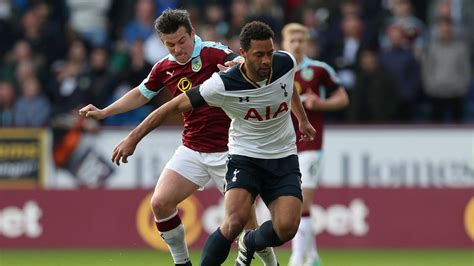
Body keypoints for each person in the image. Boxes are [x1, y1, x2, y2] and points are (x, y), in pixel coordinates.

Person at [79, 9, 278, 266]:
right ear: (163, 43)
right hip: (192, 148)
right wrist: (105, 111)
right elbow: (141, 94)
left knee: (247, 225)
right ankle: (182, 263)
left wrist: (239, 64)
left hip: (230, 152)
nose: (178, 49)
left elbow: (241, 62)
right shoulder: (164, 67)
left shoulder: (212, 52)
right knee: (161, 203)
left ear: (192, 34)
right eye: (170, 44)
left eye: (182, 41)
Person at [110, 21, 316, 266]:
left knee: (287, 228)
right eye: (259, 55)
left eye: (269, 54)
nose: (266, 61)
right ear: (244, 55)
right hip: (244, 157)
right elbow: (171, 106)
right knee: (233, 223)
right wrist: (133, 138)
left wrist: (302, 119)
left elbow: (288, 84)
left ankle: (250, 242)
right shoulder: (222, 84)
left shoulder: (285, 63)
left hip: (283, 157)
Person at [281, 23, 349, 266]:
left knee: (303, 201)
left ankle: (297, 257)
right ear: (284, 43)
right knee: (289, 202)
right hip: (281, 146)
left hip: (311, 144)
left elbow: (342, 98)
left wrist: (320, 104)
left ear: (307, 42)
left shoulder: (319, 70)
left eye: (301, 40)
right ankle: (313, 256)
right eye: (293, 40)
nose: (297, 44)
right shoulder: (277, 70)